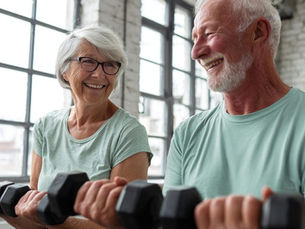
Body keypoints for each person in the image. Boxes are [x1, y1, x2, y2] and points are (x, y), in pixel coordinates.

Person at [164, 0, 305, 227]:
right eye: (194, 39)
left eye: (209, 34)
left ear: (258, 32)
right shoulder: (186, 135)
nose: (196, 52)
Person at [0, 25, 152, 229]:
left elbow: (123, 225)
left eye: (109, 65)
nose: (99, 75)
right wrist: (9, 211)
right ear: (64, 71)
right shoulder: (46, 126)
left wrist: (52, 220)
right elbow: (32, 213)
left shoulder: (129, 133)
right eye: (88, 62)